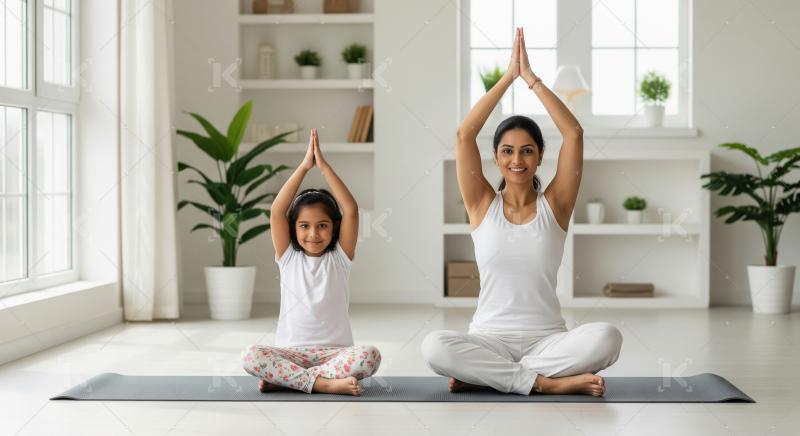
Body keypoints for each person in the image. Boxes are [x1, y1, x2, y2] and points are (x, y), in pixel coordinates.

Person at [421, 28, 622, 396]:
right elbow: (465, 135)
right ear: (496, 157)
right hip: (488, 340)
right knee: (434, 346)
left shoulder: (556, 205)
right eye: (508, 151)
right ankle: (545, 384)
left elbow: (574, 133)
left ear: (540, 156)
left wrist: (531, 80)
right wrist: (507, 77)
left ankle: (493, 377)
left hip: (547, 343)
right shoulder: (482, 205)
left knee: (608, 338)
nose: (517, 159)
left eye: (527, 150)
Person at [241, 128, 381, 396]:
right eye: (304, 226)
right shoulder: (288, 257)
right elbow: (276, 211)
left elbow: (350, 209)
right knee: (250, 355)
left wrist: (324, 167)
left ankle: (291, 381)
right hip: (291, 353)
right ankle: (324, 384)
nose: (313, 234)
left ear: (334, 228)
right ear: (294, 228)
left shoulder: (340, 258)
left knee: (370, 356)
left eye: (322, 226)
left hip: (335, 354)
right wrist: (305, 167)